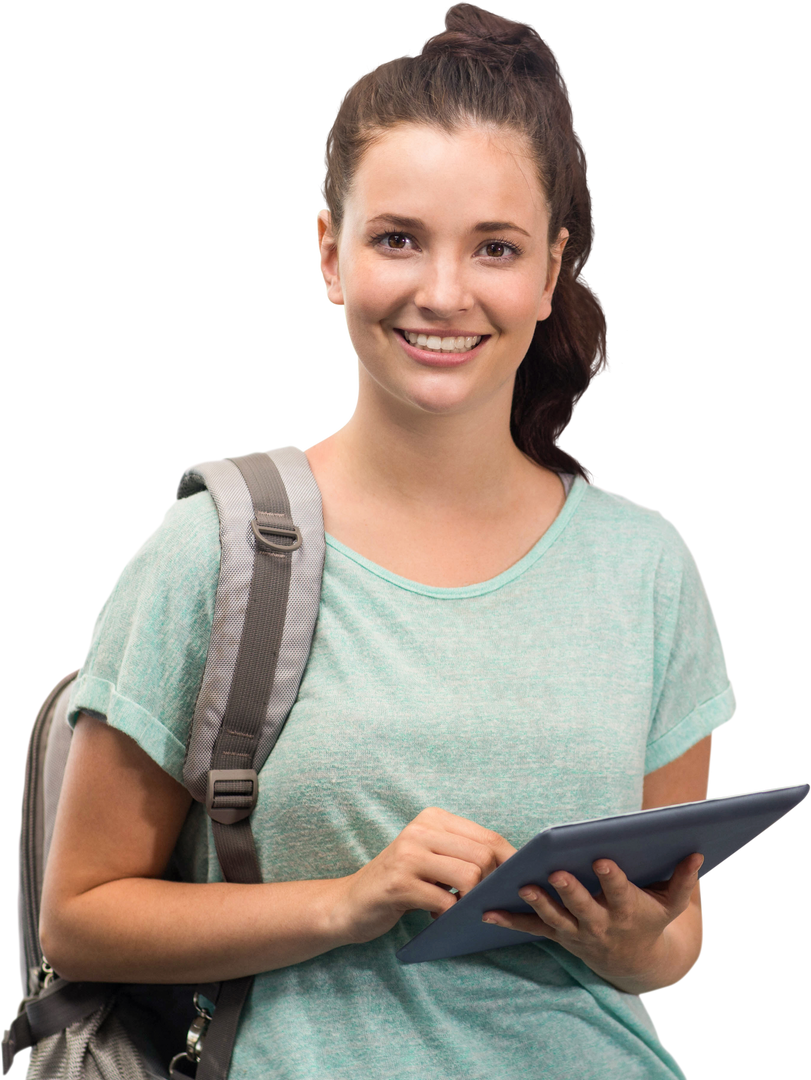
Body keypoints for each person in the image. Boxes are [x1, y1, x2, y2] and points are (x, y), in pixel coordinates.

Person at [39, 4, 737, 1077]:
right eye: (398, 238)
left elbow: (673, 938)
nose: (443, 292)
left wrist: (639, 942)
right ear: (329, 253)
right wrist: (346, 902)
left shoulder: (644, 568)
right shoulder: (215, 552)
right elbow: (78, 917)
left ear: (548, 274)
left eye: (494, 248)